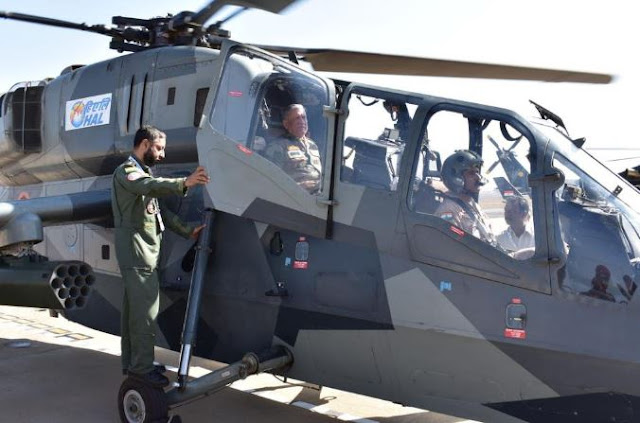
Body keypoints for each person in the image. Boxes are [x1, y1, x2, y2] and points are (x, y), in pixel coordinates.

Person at [111, 125, 210, 388]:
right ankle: (142, 370)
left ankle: (135, 364)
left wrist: (188, 231)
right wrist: (183, 183)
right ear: (144, 145)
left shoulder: (143, 176)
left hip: (144, 256)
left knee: (135, 313)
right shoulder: (128, 174)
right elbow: (149, 185)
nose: (162, 154)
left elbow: (161, 213)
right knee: (145, 315)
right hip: (138, 255)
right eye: (159, 148)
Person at [434, 149, 497, 245]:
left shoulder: (471, 204)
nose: (478, 177)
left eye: (477, 172)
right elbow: (450, 248)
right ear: (456, 178)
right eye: (471, 173)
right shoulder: (449, 209)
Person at [263, 104, 322, 193]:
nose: (301, 121)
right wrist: (298, 187)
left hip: (319, 196)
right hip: (295, 197)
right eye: (297, 118)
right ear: (286, 124)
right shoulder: (278, 146)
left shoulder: (313, 145)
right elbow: (271, 180)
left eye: (303, 117)